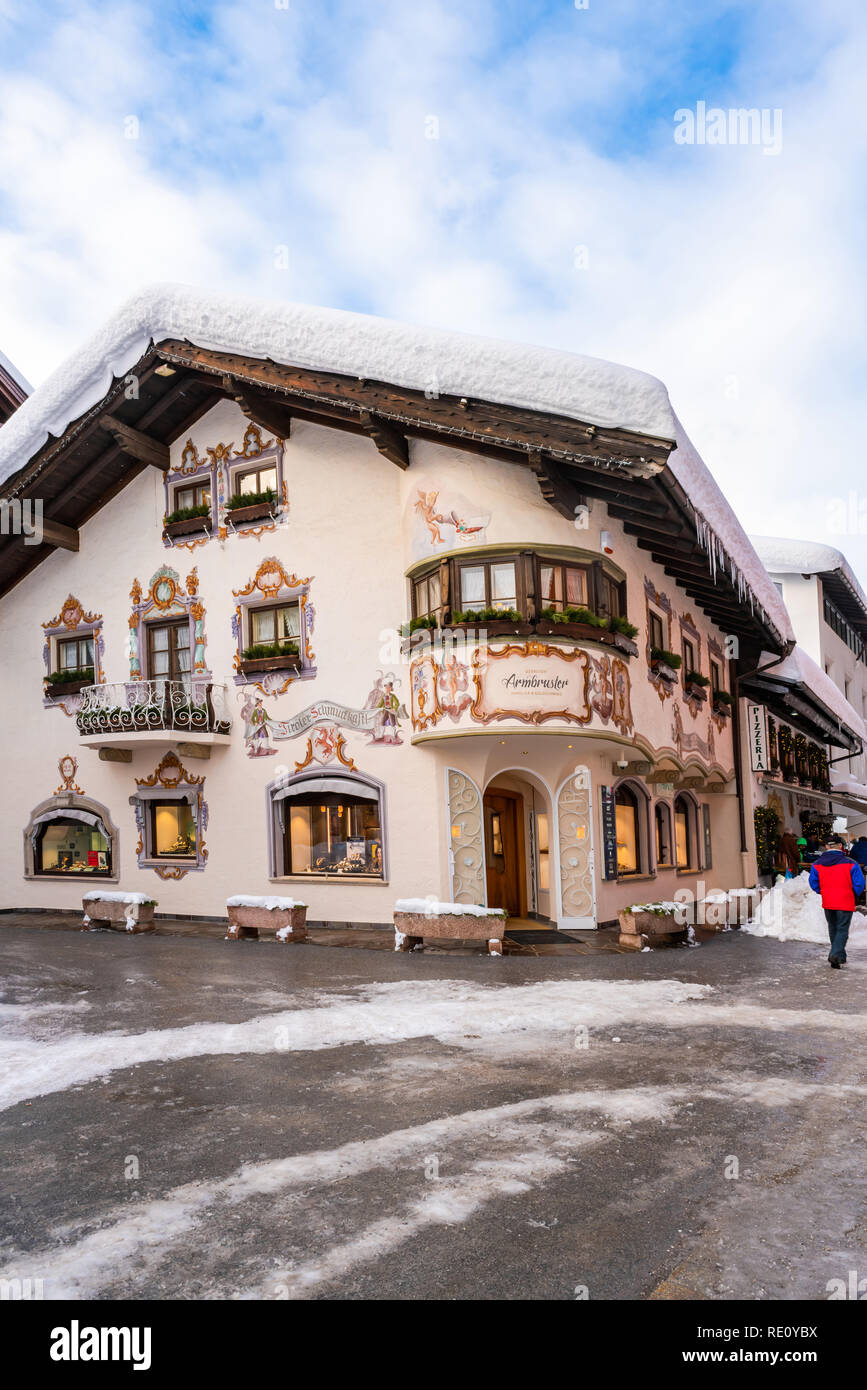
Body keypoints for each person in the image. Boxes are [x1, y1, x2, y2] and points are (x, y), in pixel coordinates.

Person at [808, 834, 865, 968]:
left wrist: (822, 891)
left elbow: (813, 882)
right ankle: (835, 955)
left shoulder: (817, 864)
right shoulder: (851, 863)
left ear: (827, 847)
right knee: (842, 929)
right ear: (840, 847)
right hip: (845, 900)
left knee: (833, 928)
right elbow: (859, 883)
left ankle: (839, 957)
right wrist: (853, 894)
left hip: (828, 900)